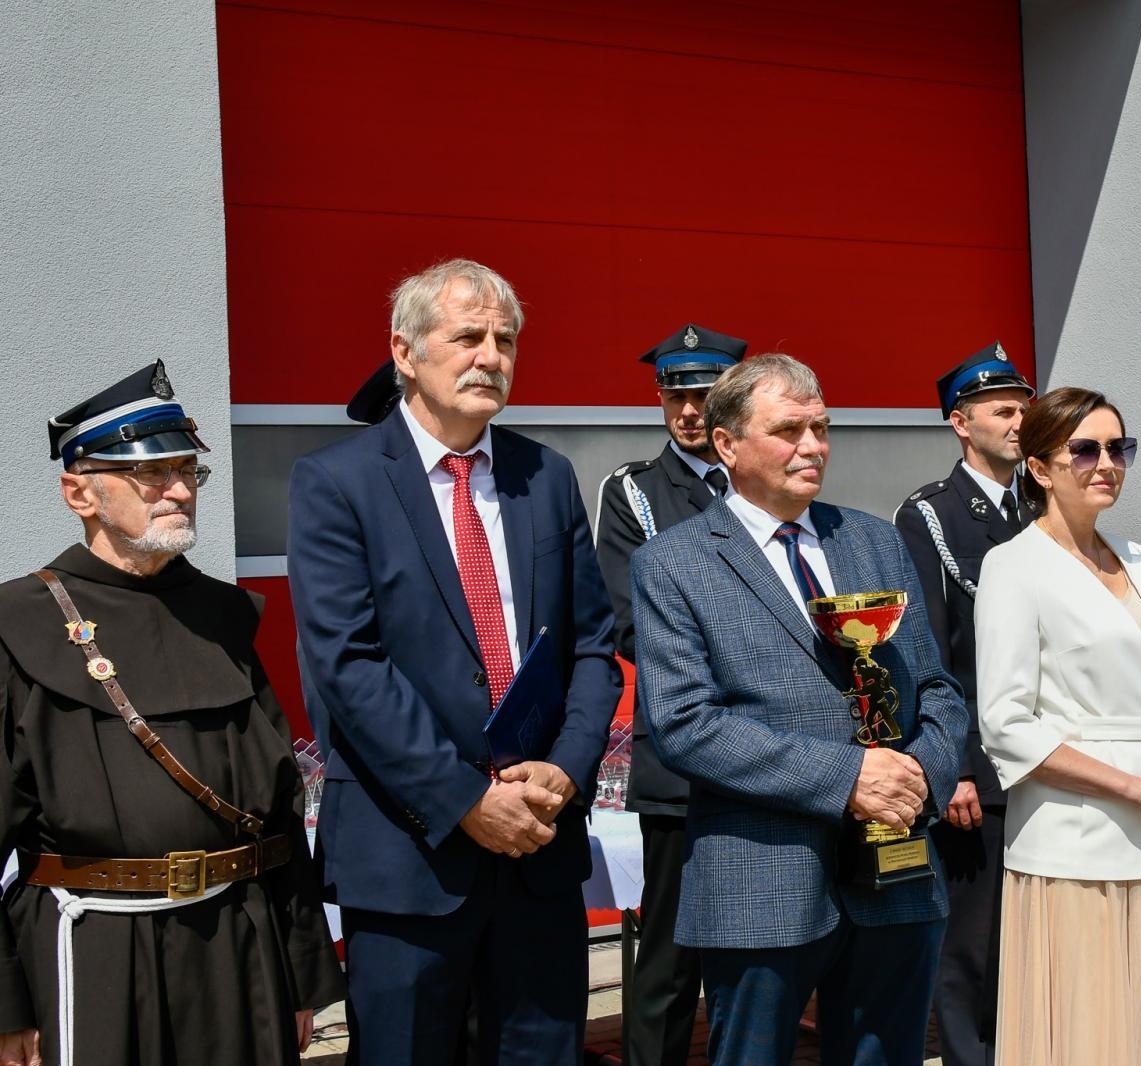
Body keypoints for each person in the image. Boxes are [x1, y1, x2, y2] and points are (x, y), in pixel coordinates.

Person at [286, 259, 622, 1065]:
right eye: (468, 337)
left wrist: (566, 769)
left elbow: (591, 645)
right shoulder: (337, 482)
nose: (490, 357)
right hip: (410, 856)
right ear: (404, 352)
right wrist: (465, 798)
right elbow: (349, 666)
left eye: (505, 340)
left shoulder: (546, 476)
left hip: (538, 843)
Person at [0, 362, 343, 1066]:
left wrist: (301, 971)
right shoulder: (17, 622)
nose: (181, 491)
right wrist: (5, 1006)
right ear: (79, 492)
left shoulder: (224, 615)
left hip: (241, 946)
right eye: (151, 474)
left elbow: (278, 812)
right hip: (94, 949)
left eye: (188, 471)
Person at [629, 354, 965, 1066]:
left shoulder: (873, 540)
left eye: (821, 428)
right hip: (762, 880)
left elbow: (936, 688)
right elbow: (685, 724)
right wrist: (849, 779)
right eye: (789, 430)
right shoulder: (674, 562)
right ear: (727, 444)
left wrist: (918, 778)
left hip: (898, 868)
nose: (813, 446)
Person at [977, 386, 1141, 1065]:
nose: (1106, 463)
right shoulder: (1013, 565)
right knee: (1090, 1034)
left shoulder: (1136, 556)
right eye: (1084, 450)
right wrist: (1133, 787)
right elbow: (1005, 723)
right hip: (1074, 846)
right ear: (1040, 467)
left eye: (1118, 448)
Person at [594, 323, 746, 1066]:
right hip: (682, 760)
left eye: (703, 396)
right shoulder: (635, 492)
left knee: (755, 955)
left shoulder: (763, 478)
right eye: (674, 395)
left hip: (775, 753)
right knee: (669, 960)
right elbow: (630, 623)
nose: (688, 411)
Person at [892, 342, 1034, 1066]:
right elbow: (927, 655)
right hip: (982, 768)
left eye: (1023, 409)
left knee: (1036, 938)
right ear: (961, 422)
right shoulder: (931, 515)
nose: (1019, 422)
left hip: (1050, 758)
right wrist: (954, 770)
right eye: (1002, 411)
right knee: (973, 948)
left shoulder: (1045, 504)